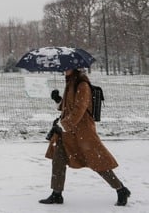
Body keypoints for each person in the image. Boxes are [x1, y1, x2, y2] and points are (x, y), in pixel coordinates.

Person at [40, 68, 131, 206]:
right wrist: (58, 99)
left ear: (74, 69)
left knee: (97, 160)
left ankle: (120, 189)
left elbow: (79, 109)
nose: (64, 69)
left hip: (83, 132)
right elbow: (67, 107)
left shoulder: (82, 85)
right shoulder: (71, 82)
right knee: (58, 159)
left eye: (67, 67)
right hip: (67, 132)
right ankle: (56, 194)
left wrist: (64, 125)